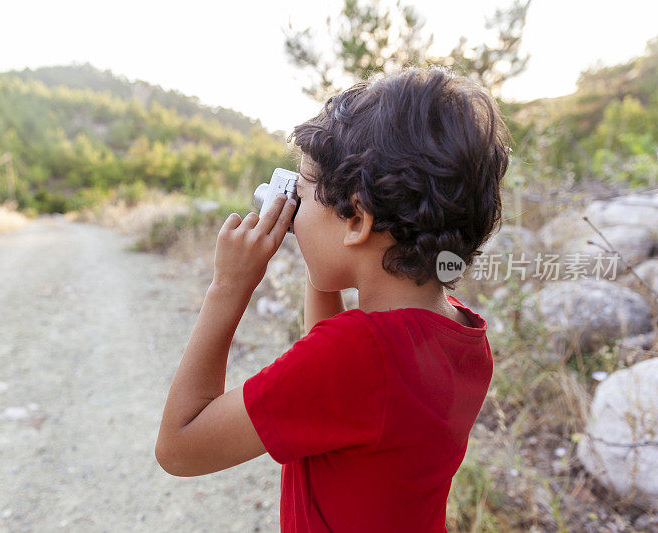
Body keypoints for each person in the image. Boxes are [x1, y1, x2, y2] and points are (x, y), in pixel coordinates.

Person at [155, 64, 511, 532]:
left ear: (357, 220)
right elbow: (330, 392)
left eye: (301, 191)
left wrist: (227, 288)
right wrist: (322, 255)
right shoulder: (464, 334)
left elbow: (179, 448)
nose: (292, 211)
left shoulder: (359, 355)